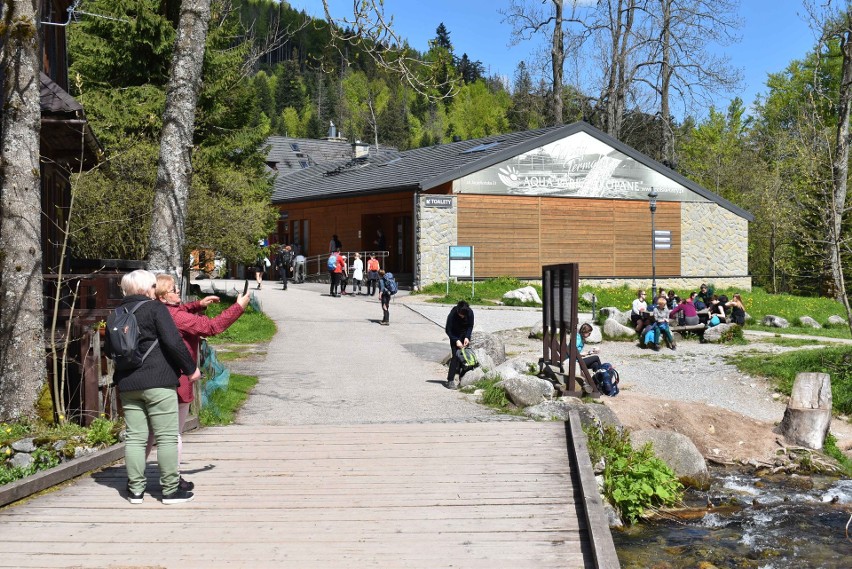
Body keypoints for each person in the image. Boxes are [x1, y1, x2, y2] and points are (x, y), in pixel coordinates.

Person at [147, 274, 250, 490]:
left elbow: (179, 311)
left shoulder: (158, 311)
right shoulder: (176, 317)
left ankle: (135, 475)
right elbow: (212, 327)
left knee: (148, 432)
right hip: (177, 380)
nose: (178, 293)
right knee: (173, 433)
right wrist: (238, 307)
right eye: (175, 290)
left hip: (154, 379)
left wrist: (197, 304)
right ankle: (173, 478)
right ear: (164, 296)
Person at [111, 270, 200, 505]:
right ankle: (170, 490)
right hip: (159, 381)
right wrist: (191, 369)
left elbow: (114, 350)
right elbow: (173, 341)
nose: (153, 289)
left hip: (128, 384)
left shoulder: (117, 313)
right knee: (167, 437)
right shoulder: (155, 308)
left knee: (135, 438)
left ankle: (136, 491)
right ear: (144, 289)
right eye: (152, 285)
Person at [445, 300, 475, 389]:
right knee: (455, 356)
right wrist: (456, 340)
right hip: (454, 334)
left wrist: (467, 337)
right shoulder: (453, 313)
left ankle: (463, 379)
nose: (462, 316)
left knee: (465, 357)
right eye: (460, 314)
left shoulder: (470, 312)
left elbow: (470, 326)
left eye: (463, 315)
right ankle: (450, 380)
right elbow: (448, 330)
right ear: (458, 311)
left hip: (464, 335)